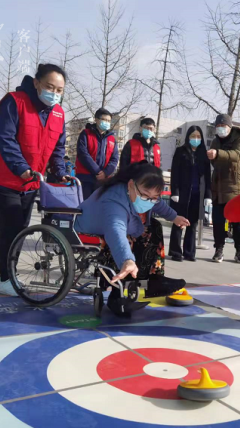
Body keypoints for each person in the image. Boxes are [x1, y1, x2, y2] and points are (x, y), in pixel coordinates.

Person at [0, 63, 74, 296]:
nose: (54, 93)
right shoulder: (15, 102)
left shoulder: (58, 113)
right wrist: (21, 167)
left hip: (31, 181)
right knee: (10, 228)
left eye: (59, 90)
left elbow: (57, 148)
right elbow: (6, 138)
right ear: (36, 84)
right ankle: (5, 278)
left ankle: (8, 273)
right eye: (49, 87)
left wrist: (60, 170)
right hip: (6, 177)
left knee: (21, 229)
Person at [75, 163, 190, 315]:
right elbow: (115, 230)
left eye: (153, 197)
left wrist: (174, 217)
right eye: (144, 196)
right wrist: (127, 259)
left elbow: (158, 205)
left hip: (119, 227)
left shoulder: (136, 192)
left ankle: (154, 279)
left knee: (153, 226)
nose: (148, 201)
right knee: (128, 239)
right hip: (92, 231)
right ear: (131, 185)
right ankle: (117, 296)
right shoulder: (114, 200)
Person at [208, 113, 240, 264]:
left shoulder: (239, 138)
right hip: (218, 187)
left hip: (235, 188)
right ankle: (219, 249)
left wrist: (218, 154)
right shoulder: (215, 141)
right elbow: (214, 162)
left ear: (230, 127)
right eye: (218, 126)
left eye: (223, 126)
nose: (220, 129)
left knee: (238, 222)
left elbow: (238, 155)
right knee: (218, 221)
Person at [169, 126, 212, 262]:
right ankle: (176, 251)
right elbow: (175, 173)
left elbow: (207, 177)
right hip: (182, 193)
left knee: (192, 224)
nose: (196, 139)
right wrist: (174, 191)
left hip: (197, 194)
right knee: (179, 222)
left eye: (198, 136)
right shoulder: (180, 151)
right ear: (188, 137)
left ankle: (189, 252)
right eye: (193, 136)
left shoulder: (203, 154)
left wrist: (208, 195)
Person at [76, 108, 119, 199]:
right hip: (86, 178)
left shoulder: (111, 139)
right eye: (104, 120)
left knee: (99, 207)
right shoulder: (86, 134)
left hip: (103, 180)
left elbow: (114, 158)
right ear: (96, 119)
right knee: (84, 205)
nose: (107, 122)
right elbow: (83, 154)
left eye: (109, 121)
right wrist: (97, 171)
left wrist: (106, 172)